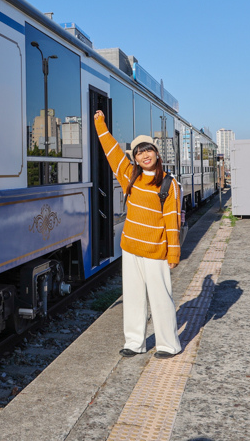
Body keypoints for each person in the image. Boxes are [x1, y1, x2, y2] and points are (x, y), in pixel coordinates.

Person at [93, 110, 182, 359]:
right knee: (133, 298)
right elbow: (112, 152)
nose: (144, 155)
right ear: (135, 157)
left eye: (148, 150)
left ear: (156, 153)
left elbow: (172, 221)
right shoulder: (129, 176)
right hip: (131, 248)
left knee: (161, 298)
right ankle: (134, 342)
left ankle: (168, 344)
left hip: (156, 250)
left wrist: (173, 251)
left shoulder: (168, 183)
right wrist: (100, 124)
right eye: (139, 152)